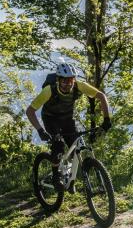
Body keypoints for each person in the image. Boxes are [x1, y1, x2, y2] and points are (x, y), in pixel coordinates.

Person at [26, 61, 112, 190]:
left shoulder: (79, 86)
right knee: (58, 145)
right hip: (51, 119)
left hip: (67, 118)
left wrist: (106, 120)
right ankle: (56, 177)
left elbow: (101, 96)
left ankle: (70, 179)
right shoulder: (49, 90)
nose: (68, 84)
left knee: (77, 146)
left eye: (71, 80)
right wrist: (40, 130)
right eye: (65, 81)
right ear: (58, 80)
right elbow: (30, 111)